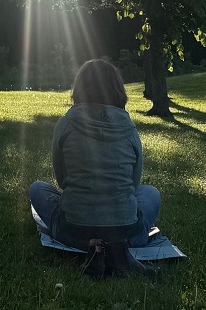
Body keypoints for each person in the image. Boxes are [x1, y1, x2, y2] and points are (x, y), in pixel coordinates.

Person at [29, 59, 159, 278]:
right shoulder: (128, 126)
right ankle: (116, 250)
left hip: (73, 231)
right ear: (118, 89)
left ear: (80, 88)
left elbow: (62, 181)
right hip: (128, 233)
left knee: (37, 188)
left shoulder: (67, 122)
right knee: (150, 193)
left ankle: (96, 248)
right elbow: (134, 183)